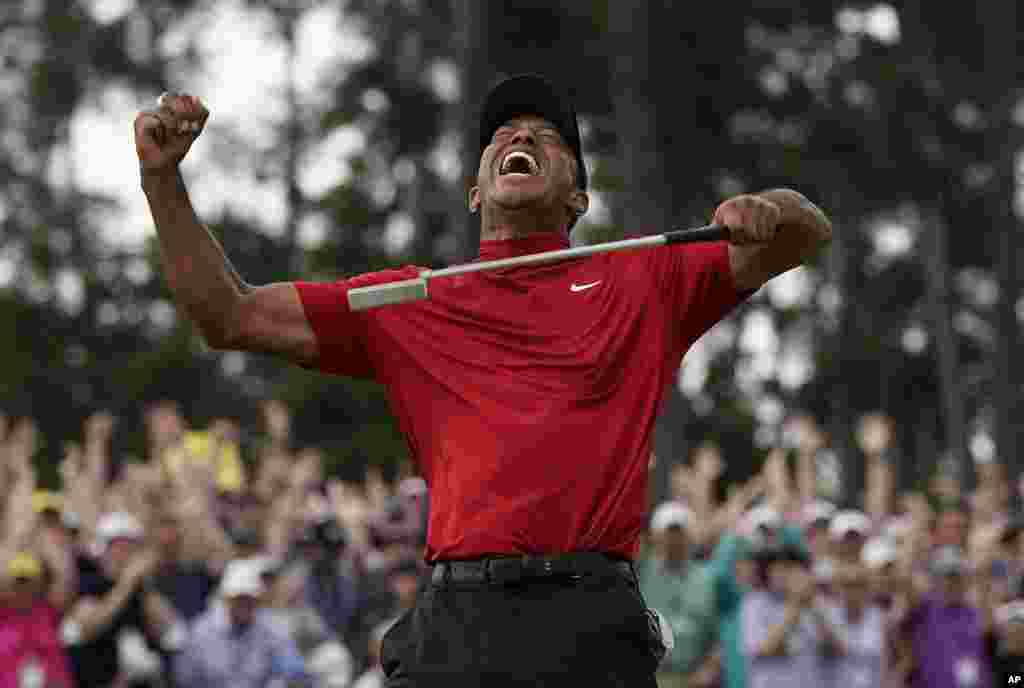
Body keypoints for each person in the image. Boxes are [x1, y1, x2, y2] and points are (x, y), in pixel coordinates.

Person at [134, 72, 832, 686]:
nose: (519, 137)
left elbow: (807, 234)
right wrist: (162, 183)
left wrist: (768, 209)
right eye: (501, 133)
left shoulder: (645, 279)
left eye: (546, 136)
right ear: (475, 191)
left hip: (588, 623)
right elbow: (230, 315)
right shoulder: (411, 300)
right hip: (455, 627)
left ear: (579, 198)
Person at [61, 512, 184, 688]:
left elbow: (170, 630)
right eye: (118, 547)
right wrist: (126, 583)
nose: (124, 554)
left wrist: (143, 584)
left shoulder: (146, 588)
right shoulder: (89, 582)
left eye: (130, 547)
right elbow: (87, 626)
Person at [174, 558, 309, 688]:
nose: (245, 604)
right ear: (226, 599)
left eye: (250, 598)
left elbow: (294, 671)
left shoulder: (272, 629)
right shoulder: (200, 633)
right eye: (239, 598)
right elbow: (186, 679)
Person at [637, 501, 718, 688]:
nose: (673, 540)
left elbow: (718, 631)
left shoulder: (707, 578)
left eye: (679, 533)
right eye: (668, 533)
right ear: (655, 536)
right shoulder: (640, 573)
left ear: (690, 536)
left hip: (695, 679)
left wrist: (710, 668)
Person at [0, 552, 76, 688]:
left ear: (40, 585)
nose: (24, 589)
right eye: (19, 583)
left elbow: (66, 582)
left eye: (30, 583)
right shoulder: (3, 614)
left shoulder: (51, 612)